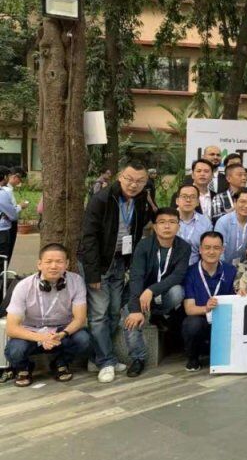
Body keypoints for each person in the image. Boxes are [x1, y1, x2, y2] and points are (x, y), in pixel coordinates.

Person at [79, 161, 153, 384]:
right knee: (99, 314)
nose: (134, 184)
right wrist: (93, 273)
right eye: (129, 179)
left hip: (120, 261)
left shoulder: (141, 199)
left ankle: (98, 357)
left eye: (140, 181)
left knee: (113, 312)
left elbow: (143, 224)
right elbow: (89, 237)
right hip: (99, 264)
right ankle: (105, 362)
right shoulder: (102, 198)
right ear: (120, 177)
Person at [4, 243, 91, 387]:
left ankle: (60, 363)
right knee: (15, 350)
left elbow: (80, 319)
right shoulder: (23, 286)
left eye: (59, 262)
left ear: (67, 264)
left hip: (60, 332)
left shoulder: (76, 281)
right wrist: (42, 337)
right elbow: (11, 328)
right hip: (32, 332)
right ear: (39, 264)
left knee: (84, 339)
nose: (54, 266)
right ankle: (24, 368)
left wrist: (62, 334)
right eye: (48, 262)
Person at [122, 207, 191, 377]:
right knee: (131, 319)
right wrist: (135, 308)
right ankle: (138, 358)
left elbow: (177, 276)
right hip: (138, 292)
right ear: (154, 226)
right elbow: (136, 277)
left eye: (172, 222)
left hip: (161, 292)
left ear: (178, 226)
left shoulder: (183, 247)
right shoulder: (144, 245)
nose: (167, 226)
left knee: (178, 292)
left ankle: (157, 314)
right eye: (162, 222)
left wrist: (151, 290)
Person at [182, 232, 237, 371]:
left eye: (216, 248)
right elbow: (189, 309)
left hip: (225, 321)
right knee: (192, 323)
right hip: (203, 320)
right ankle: (193, 358)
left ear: (222, 250)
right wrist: (206, 308)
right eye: (207, 248)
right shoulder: (190, 272)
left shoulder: (231, 271)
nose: (211, 252)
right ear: (200, 249)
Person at [214, 188, 247, 267]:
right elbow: (218, 250)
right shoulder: (223, 222)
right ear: (235, 202)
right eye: (242, 202)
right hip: (224, 266)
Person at [175, 185, 214, 265]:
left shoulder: (205, 222)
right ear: (177, 201)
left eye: (192, 197)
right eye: (184, 196)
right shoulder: (167, 220)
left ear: (197, 202)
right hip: (170, 267)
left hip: (195, 267)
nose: (188, 200)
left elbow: (207, 250)